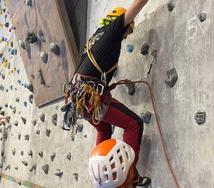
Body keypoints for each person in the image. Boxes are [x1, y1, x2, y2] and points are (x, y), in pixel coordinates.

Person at [63, 0, 150, 186]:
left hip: (79, 96)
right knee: (134, 124)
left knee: (103, 128)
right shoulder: (112, 31)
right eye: (129, 30)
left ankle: (104, 175)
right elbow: (138, 4)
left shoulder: (96, 37)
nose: (127, 35)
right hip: (88, 95)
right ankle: (129, 179)